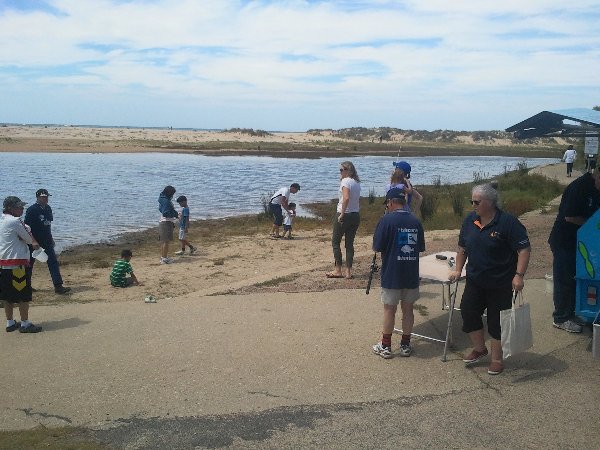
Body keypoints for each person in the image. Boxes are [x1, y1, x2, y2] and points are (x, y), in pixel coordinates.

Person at [449, 183, 531, 375]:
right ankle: (479, 348)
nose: (473, 206)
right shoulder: (470, 221)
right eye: (471, 201)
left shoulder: (508, 223)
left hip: (500, 283)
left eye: (476, 202)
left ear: (490, 202)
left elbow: (524, 249)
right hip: (475, 281)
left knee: (497, 323)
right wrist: (458, 269)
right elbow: (462, 248)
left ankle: (496, 359)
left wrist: (519, 276)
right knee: (468, 313)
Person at [372, 188, 425, 359]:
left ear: (391, 202)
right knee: (408, 309)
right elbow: (420, 248)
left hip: (392, 273)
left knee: (389, 309)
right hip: (410, 273)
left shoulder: (386, 220)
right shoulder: (415, 221)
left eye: (387, 203)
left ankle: (386, 346)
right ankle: (405, 344)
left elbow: (377, 246)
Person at [548, 170, 600, 333]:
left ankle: (572, 313)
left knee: (576, 278)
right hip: (564, 240)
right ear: (598, 175)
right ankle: (561, 318)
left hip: (582, 242)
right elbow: (570, 217)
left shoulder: (596, 189)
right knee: (564, 279)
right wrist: (592, 224)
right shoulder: (578, 188)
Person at [1, 196, 42, 333]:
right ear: (10, 208)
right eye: (19, 207)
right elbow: (29, 239)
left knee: (7, 295)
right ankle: (25, 323)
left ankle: (10, 322)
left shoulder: (2, 220)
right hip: (17, 262)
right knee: (23, 295)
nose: (22, 209)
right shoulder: (15, 221)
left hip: (3, 263)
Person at [24, 188, 71, 294]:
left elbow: (48, 225)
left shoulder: (48, 208)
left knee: (53, 262)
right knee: (29, 264)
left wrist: (51, 238)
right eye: (43, 197)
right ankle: (26, 286)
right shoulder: (32, 210)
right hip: (35, 241)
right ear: (38, 197)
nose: (45, 199)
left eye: (46, 197)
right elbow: (27, 227)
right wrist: (33, 241)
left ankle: (58, 286)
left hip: (47, 241)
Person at [326, 161, 361, 279]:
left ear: (348, 170)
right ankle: (348, 272)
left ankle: (338, 270)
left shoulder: (345, 181)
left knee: (335, 242)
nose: (340, 172)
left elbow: (346, 198)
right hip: (355, 215)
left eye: (342, 170)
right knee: (349, 244)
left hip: (345, 214)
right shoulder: (356, 182)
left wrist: (341, 214)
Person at [158, 185, 178, 264]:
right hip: (166, 222)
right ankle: (164, 258)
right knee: (166, 241)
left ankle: (163, 257)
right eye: (172, 194)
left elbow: (161, 209)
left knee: (164, 241)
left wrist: (175, 214)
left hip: (163, 221)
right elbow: (166, 213)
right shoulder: (166, 201)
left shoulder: (162, 199)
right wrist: (175, 214)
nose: (173, 196)